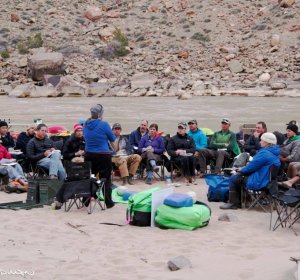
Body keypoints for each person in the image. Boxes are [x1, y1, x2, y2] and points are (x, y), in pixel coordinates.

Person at [220, 132, 280, 209]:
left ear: (267, 143)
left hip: (260, 181)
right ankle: (244, 199)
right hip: (268, 180)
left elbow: (251, 167)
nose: (260, 142)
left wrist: (241, 170)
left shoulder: (264, 153)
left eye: (262, 140)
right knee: (239, 176)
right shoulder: (275, 152)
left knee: (234, 178)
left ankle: (234, 203)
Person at [84, 104, 116, 209]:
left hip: (89, 155)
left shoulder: (85, 124)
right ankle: (108, 202)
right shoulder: (104, 124)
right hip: (103, 155)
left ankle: (86, 200)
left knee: (90, 177)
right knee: (106, 178)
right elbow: (112, 139)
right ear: (99, 114)